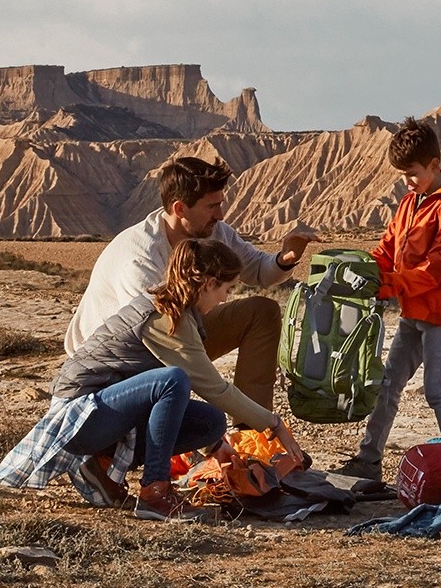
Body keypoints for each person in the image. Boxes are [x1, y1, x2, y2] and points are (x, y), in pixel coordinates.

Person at [0, 238, 312, 521]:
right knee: (172, 380)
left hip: (109, 415)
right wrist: (273, 424)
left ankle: (101, 464)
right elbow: (213, 387)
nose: (225, 300)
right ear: (208, 284)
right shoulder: (163, 316)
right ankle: (155, 492)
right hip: (82, 415)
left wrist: (216, 445)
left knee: (211, 423)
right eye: (226, 290)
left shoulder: (182, 313)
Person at [66, 155, 317, 411]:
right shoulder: (140, 256)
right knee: (193, 412)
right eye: (211, 206)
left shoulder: (212, 231)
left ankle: (251, 438)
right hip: (113, 365)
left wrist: (287, 258)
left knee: (261, 312)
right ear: (180, 209)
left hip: (177, 328)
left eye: (220, 204)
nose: (220, 215)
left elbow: (258, 271)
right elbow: (156, 332)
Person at [335, 121, 441, 482]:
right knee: (388, 384)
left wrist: (387, 286)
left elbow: (434, 270)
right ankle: (368, 461)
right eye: (402, 175)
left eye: (412, 173)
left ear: (435, 165)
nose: (407, 180)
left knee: (437, 390)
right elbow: (387, 249)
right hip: (412, 312)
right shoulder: (409, 204)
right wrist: (364, 270)